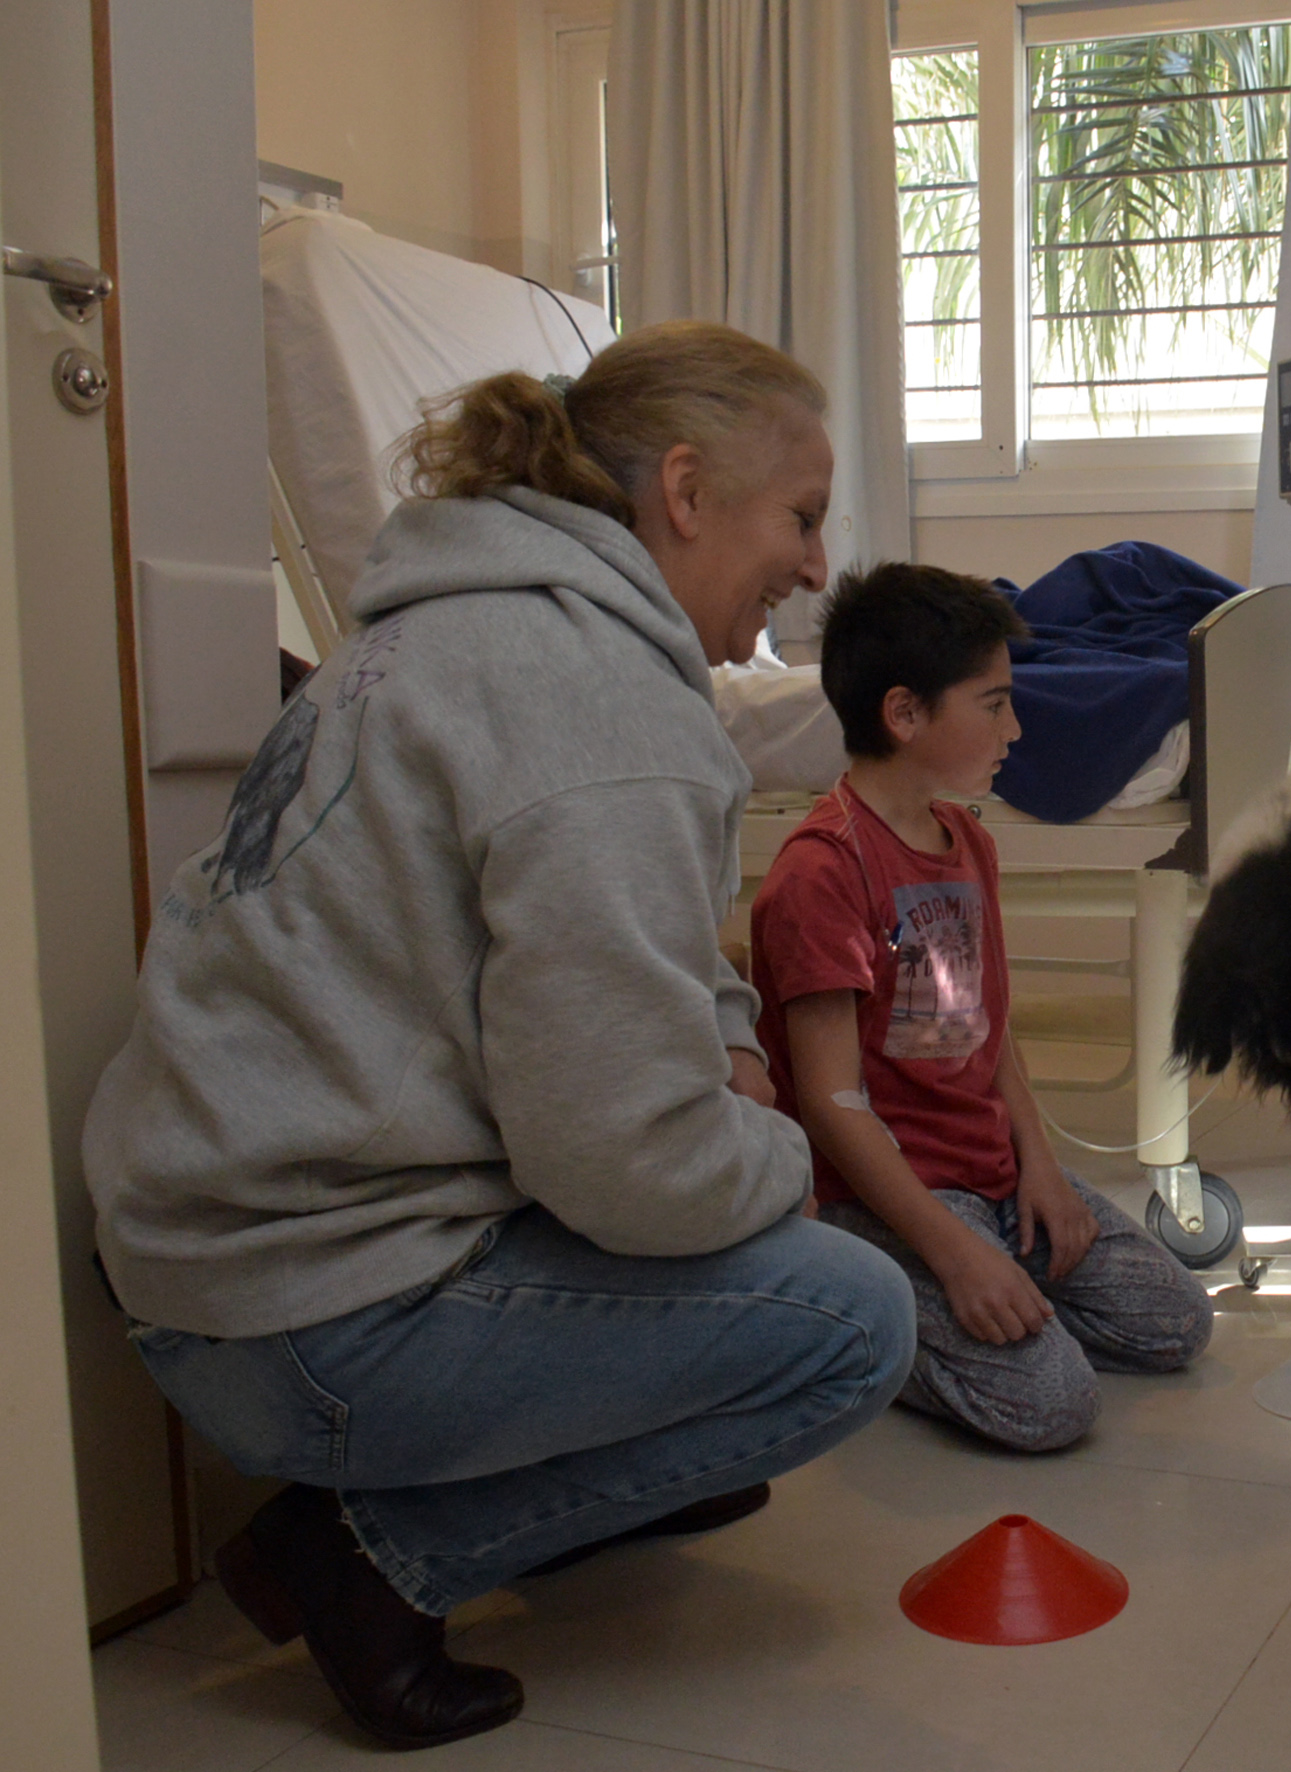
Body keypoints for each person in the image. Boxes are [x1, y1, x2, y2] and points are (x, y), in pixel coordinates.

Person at [81, 321, 919, 1751]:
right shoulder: (596, 709)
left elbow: (645, 956)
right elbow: (625, 1165)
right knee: (848, 1322)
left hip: (212, 1264)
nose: (814, 565)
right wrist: (780, 1151)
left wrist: (717, 1053)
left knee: (722, 1255)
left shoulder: (449, 632)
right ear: (684, 490)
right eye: (800, 515)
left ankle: (539, 1472)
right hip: (307, 1322)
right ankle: (366, 1560)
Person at [749, 562, 1213, 1454]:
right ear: (905, 715)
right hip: (890, 1197)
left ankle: (988, 1311)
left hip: (992, 1177)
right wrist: (957, 1255)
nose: (1018, 726)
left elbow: (989, 1033)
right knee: (1053, 1407)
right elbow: (830, 1107)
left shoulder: (966, 838)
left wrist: (1038, 1164)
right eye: (994, 704)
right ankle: (858, 1320)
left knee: (1177, 1323)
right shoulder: (822, 872)